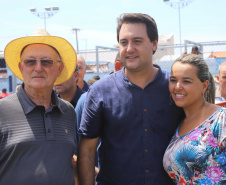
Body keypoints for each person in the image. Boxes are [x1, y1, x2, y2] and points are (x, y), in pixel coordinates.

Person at [77, 13, 184, 185]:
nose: (129, 48)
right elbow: (86, 151)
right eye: (123, 42)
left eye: (137, 41)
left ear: (154, 44)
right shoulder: (99, 92)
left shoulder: (175, 88)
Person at [1, 28, 77, 185]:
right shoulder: (2, 111)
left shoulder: (68, 111)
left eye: (46, 62)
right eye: (30, 62)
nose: (38, 68)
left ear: (59, 69)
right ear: (21, 68)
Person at [162, 54, 226, 184]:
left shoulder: (222, 119)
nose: (177, 87)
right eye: (173, 80)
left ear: (204, 86)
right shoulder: (178, 124)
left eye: (186, 81)